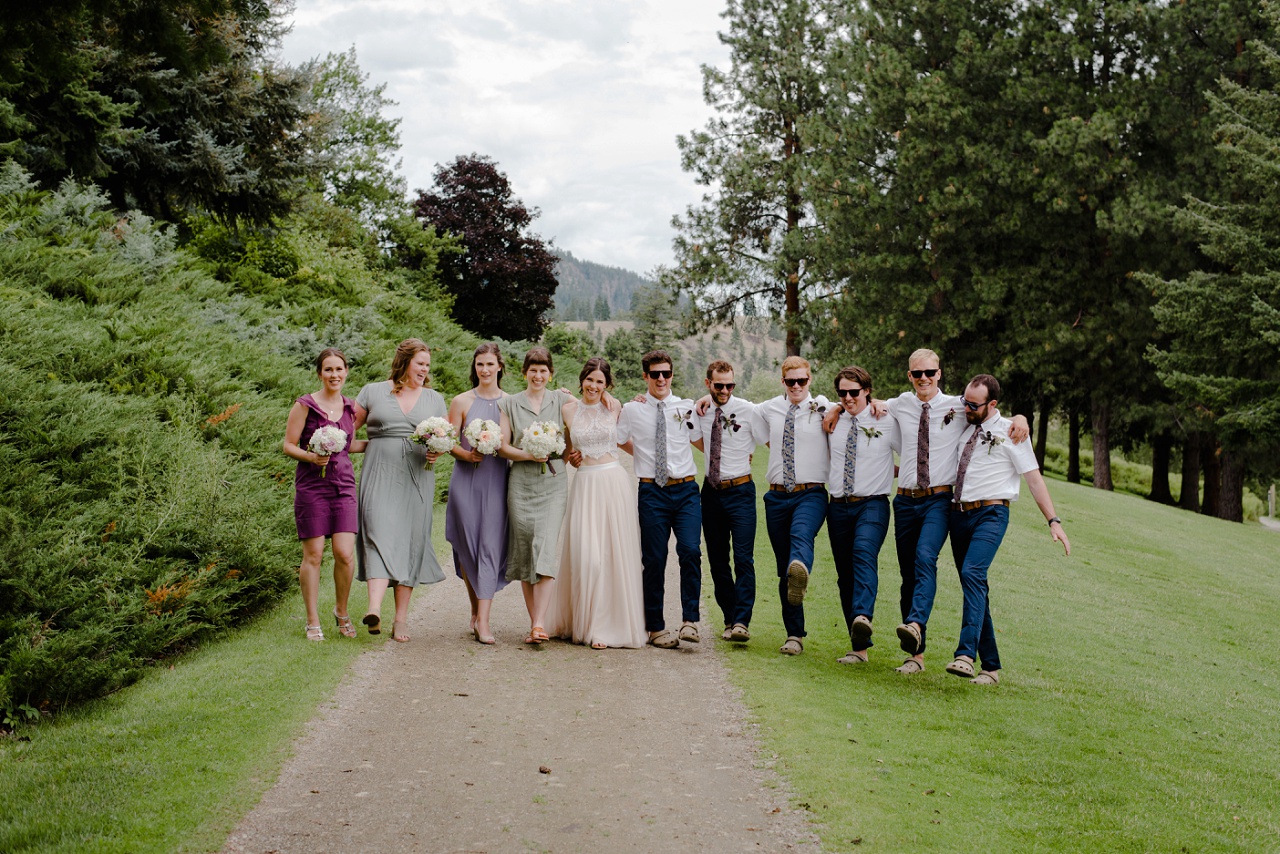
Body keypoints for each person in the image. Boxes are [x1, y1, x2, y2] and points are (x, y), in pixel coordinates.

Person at [883, 349, 1027, 674]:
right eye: (917, 373)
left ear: (939, 373)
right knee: (909, 575)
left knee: (925, 557)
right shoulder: (899, 405)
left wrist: (1021, 419)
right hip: (904, 501)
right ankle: (916, 655)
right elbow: (865, 404)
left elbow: (992, 413)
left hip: (939, 500)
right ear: (909, 376)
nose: (924, 378)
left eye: (929, 372)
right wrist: (835, 408)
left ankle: (916, 623)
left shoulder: (958, 406)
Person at [945, 374, 1070, 685]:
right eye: (965, 401)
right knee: (974, 586)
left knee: (973, 574)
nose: (967, 408)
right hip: (958, 515)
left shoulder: (1012, 432)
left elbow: (1033, 478)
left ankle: (965, 655)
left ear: (993, 404)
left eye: (974, 404)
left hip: (991, 513)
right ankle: (992, 667)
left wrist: (1053, 520)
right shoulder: (962, 422)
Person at [545, 358, 647, 649]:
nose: (594, 386)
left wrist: (639, 400)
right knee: (587, 556)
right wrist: (571, 458)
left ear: (607, 385)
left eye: (600, 382)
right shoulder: (567, 409)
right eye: (590, 380)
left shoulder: (615, 407)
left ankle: (603, 627)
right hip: (586, 484)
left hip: (613, 483)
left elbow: (636, 419)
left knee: (612, 556)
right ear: (582, 380)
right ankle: (582, 618)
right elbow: (566, 450)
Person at [354, 338, 449, 643]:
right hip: (379, 471)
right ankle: (373, 608)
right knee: (376, 531)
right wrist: (335, 446)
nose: (425, 369)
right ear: (405, 361)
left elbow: (444, 440)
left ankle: (401, 620)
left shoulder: (435, 399)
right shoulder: (372, 392)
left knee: (410, 540)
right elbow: (346, 431)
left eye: (427, 365)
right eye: (420, 363)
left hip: (417, 475)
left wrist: (437, 451)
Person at [616, 350, 704, 649]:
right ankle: (655, 627)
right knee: (654, 559)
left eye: (666, 373)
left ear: (672, 375)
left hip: (686, 490)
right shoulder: (632, 409)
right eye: (655, 374)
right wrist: (640, 454)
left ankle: (690, 620)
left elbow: (701, 439)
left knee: (691, 551)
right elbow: (616, 438)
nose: (661, 379)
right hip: (652, 491)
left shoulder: (687, 407)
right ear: (646, 376)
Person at [751, 356, 831, 656]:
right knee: (783, 569)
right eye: (790, 381)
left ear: (810, 380)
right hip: (776, 496)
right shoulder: (769, 408)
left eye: (802, 381)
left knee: (801, 537)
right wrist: (708, 396)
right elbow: (737, 407)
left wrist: (876, 403)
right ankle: (794, 634)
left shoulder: (824, 405)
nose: (796, 386)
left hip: (810, 492)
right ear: (782, 382)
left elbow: (855, 404)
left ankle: (801, 567)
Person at [281, 348, 361, 641]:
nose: (334, 375)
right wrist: (311, 457)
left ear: (346, 372)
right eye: (328, 370)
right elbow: (288, 445)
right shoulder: (305, 405)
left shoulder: (351, 407)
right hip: (312, 487)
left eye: (339, 369)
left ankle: (341, 612)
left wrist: (382, 443)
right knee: (313, 555)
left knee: (344, 553)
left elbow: (348, 444)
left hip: (343, 487)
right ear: (319, 373)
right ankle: (312, 620)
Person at [498, 346, 574, 645]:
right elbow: (503, 446)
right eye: (533, 370)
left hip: (554, 485)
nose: (538, 375)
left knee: (545, 546)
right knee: (526, 549)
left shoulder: (563, 400)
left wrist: (561, 459)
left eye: (544, 370)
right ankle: (536, 623)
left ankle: (540, 623)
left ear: (550, 373)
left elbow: (591, 410)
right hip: (520, 483)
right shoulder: (510, 404)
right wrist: (529, 455)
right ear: (524, 372)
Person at [825, 366, 899, 664]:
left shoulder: (886, 420)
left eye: (853, 392)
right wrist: (834, 408)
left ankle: (863, 615)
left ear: (867, 391)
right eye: (841, 393)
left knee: (863, 553)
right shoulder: (832, 420)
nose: (847, 398)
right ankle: (859, 648)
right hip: (838, 505)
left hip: (873, 504)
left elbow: (912, 454)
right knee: (845, 576)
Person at [445, 343, 510, 645]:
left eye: (490, 364)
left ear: (500, 367)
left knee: (489, 547)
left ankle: (484, 622)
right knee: (467, 547)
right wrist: (466, 454)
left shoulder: (510, 403)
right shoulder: (460, 401)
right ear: (475, 367)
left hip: (497, 480)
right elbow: (447, 441)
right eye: (480, 364)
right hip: (466, 481)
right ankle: (475, 610)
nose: (485, 369)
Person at [692, 360, 758, 643]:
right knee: (718, 561)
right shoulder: (701, 411)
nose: (725, 390)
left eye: (730, 385)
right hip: (711, 493)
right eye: (719, 385)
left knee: (743, 559)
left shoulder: (749, 410)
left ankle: (742, 621)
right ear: (708, 383)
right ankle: (729, 618)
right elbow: (697, 440)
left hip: (741, 492)